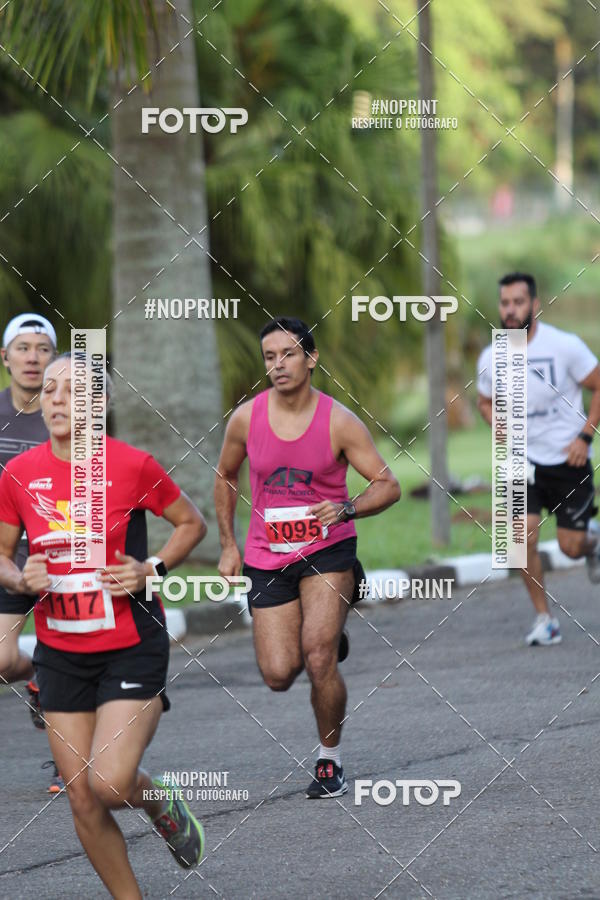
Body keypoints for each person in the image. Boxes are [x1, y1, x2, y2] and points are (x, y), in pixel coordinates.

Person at [0, 353, 207, 897]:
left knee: (111, 784)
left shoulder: (132, 465)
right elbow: (2, 555)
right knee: (82, 797)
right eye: (48, 390)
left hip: (129, 645)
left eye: (72, 390)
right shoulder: (18, 475)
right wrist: (20, 577)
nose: (57, 399)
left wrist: (151, 567)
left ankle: (157, 800)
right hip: (59, 650)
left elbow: (191, 522)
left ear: (101, 403)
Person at [215, 316, 401, 798]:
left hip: (326, 549)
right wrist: (229, 545)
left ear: (311, 358)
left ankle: (329, 759)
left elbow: (389, 486)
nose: (278, 365)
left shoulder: (338, 420)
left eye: (289, 354)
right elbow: (225, 475)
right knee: (279, 674)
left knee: (318, 657)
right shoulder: (246, 418)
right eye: (270, 357)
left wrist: (345, 508)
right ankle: (327, 637)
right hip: (266, 553)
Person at [477, 272, 600, 646]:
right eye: (505, 303)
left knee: (570, 547)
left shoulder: (565, 346)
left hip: (569, 460)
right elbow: (484, 400)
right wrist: (493, 419)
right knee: (520, 539)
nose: (510, 310)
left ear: (535, 304)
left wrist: (585, 436)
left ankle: (592, 540)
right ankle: (545, 619)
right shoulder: (492, 355)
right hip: (520, 462)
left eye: (518, 302)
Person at [0, 312, 63, 791]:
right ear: (5, 357)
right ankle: (38, 671)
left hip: (62, 554)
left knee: (72, 659)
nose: (32, 357)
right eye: (23, 347)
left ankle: (71, 762)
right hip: (7, 556)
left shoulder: (63, 417)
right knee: (3, 660)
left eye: (42, 348)